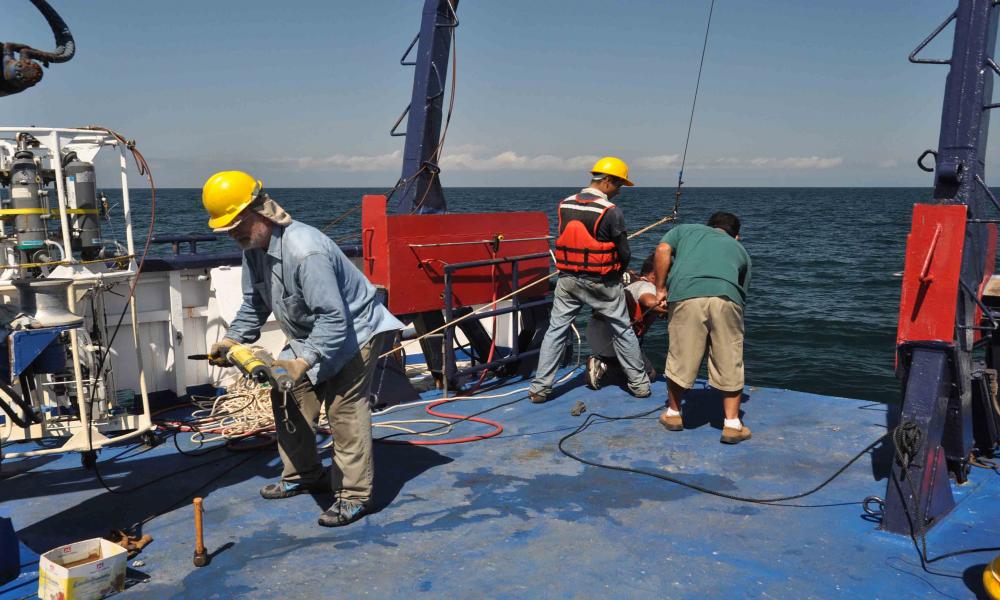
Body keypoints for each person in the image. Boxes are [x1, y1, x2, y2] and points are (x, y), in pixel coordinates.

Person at [202, 170, 404, 527]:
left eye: (237, 224)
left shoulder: (304, 250)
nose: (234, 234)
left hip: (356, 333)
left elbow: (334, 318)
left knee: (344, 411)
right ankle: (303, 475)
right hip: (309, 337)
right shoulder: (254, 249)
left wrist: (303, 361)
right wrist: (233, 339)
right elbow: (254, 303)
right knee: (286, 395)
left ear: (261, 210)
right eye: (226, 229)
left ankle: (354, 495)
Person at [528, 157, 652, 403]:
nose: (619, 192)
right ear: (607, 181)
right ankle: (639, 385)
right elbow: (623, 251)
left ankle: (540, 389)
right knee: (623, 330)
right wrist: (620, 273)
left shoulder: (565, 204)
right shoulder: (611, 211)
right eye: (618, 186)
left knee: (556, 331)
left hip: (568, 280)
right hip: (602, 282)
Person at [653, 211, 752, 444]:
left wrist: (660, 289)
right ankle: (732, 425)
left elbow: (662, 251)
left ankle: (674, 414)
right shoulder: (741, 251)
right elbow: (742, 292)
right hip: (727, 298)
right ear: (736, 236)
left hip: (686, 294)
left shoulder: (684, 230)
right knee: (730, 357)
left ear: (710, 226)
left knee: (681, 355)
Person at [585, 253, 666, 389]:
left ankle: (604, 362)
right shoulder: (647, 286)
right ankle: (605, 366)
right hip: (614, 338)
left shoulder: (632, 284)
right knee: (650, 375)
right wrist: (675, 308)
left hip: (595, 331)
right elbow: (648, 301)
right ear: (654, 276)